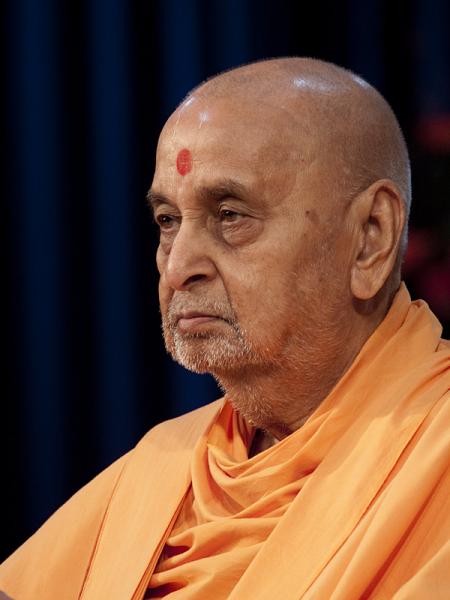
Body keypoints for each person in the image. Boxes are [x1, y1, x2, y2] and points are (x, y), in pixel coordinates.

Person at [1, 57, 449, 599]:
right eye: (168, 221)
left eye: (230, 215)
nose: (177, 267)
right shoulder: (161, 467)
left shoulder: (436, 452)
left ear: (370, 238)